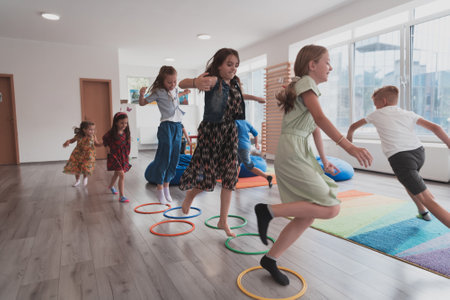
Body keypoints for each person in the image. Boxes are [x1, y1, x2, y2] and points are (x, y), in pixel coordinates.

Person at [254, 45, 373, 286]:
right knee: (330, 208)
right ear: (312, 65)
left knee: (306, 216)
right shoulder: (306, 83)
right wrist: (349, 147)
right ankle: (267, 211)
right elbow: (320, 119)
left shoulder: (305, 86)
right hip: (294, 150)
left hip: (299, 149)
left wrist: (325, 159)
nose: (331, 67)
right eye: (327, 62)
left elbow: (314, 127)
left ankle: (270, 259)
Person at [178, 48, 265, 237]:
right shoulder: (213, 79)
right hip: (212, 133)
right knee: (209, 176)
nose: (233, 68)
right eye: (229, 64)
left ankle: (223, 220)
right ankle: (191, 195)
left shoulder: (235, 83)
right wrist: (195, 82)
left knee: (230, 175)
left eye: (236, 65)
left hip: (230, 133)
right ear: (219, 65)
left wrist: (256, 98)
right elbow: (182, 83)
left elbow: (241, 95)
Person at [347, 85, 450, 228]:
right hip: (419, 152)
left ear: (383, 101)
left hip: (401, 158)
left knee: (427, 198)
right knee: (409, 182)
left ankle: (426, 209)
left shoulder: (376, 114)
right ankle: (422, 211)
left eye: (375, 104)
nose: (375, 107)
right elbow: (436, 128)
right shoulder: (407, 113)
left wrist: (349, 140)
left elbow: (353, 126)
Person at [139, 66, 186, 204]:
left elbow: (177, 96)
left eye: (174, 81)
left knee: (175, 157)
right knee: (164, 156)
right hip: (166, 126)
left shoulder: (176, 90)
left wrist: (185, 92)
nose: (172, 85)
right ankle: (159, 188)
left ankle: (166, 187)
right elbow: (142, 103)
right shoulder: (158, 92)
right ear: (162, 81)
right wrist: (141, 95)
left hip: (177, 126)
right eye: (169, 82)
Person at [102, 112, 132, 203]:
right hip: (114, 156)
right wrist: (107, 149)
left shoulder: (126, 133)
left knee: (117, 173)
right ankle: (122, 196)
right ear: (116, 122)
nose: (124, 125)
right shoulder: (111, 134)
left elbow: (127, 145)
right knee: (121, 174)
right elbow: (105, 139)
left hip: (122, 157)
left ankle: (110, 186)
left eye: (126, 123)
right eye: (122, 123)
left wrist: (127, 155)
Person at [63, 121, 103, 186]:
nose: (92, 131)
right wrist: (67, 142)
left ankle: (85, 177)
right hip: (78, 153)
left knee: (86, 166)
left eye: (93, 129)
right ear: (84, 130)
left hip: (89, 154)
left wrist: (102, 143)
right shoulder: (79, 136)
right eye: (90, 130)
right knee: (77, 167)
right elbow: (71, 140)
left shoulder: (93, 136)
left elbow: (97, 144)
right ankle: (77, 180)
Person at [235, 119, 273, 187]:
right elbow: (255, 133)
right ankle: (235, 180)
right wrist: (256, 144)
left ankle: (267, 177)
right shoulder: (246, 122)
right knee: (237, 163)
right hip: (246, 146)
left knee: (249, 166)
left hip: (240, 146)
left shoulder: (235, 122)